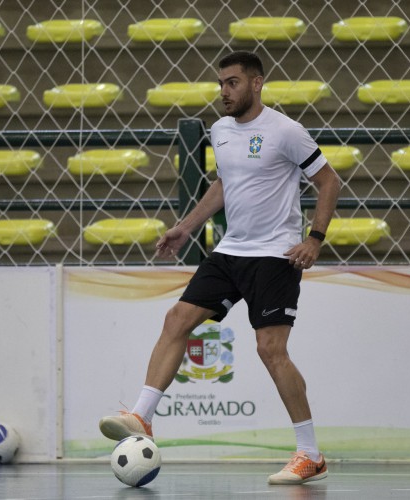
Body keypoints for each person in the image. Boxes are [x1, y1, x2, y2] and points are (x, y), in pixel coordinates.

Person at [98, 50, 341, 485]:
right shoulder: (220, 130)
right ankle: (142, 417)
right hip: (231, 251)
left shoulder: (286, 131)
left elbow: (328, 181)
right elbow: (226, 184)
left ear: (256, 83)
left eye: (232, 83)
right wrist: (186, 228)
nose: (224, 91)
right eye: (221, 84)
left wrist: (314, 239)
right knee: (177, 319)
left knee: (270, 350)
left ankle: (310, 454)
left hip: (275, 255)